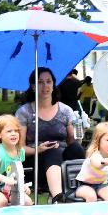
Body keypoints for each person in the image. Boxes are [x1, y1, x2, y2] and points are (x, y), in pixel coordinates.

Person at [15, 68, 85, 203]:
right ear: (33, 86)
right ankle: (57, 197)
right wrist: (38, 149)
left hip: (62, 158)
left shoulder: (65, 110)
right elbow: (18, 149)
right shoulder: (24, 112)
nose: (45, 86)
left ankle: (81, 190)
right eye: (40, 82)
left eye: (48, 81)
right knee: (53, 151)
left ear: (54, 84)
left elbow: (74, 141)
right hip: (35, 162)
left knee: (77, 149)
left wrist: (78, 131)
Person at [75, 122, 108, 202]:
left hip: (101, 185)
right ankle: (91, 214)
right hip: (84, 185)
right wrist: (104, 162)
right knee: (91, 196)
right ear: (98, 140)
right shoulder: (95, 154)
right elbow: (97, 164)